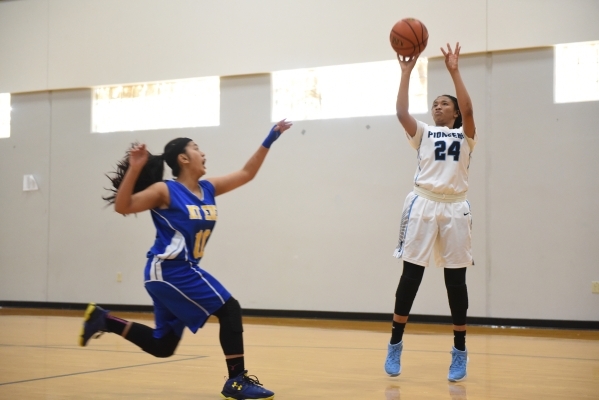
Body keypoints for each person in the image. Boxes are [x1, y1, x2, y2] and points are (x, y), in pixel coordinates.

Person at [79, 119, 292, 400]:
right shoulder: (165, 191)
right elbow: (123, 206)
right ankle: (237, 381)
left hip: (176, 273)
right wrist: (134, 168)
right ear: (183, 158)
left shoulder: (208, 189)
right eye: (196, 148)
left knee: (163, 345)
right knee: (229, 308)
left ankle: (104, 320)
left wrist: (270, 138)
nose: (202, 153)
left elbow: (246, 173)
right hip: (169, 270)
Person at [384, 43, 477, 382]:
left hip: (455, 209)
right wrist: (407, 72)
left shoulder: (466, 134)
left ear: (454, 113)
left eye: (445, 103)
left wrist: (454, 71)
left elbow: (469, 108)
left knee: (456, 281)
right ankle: (395, 343)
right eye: (435, 103)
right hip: (423, 204)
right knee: (412, 276)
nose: (438, 106)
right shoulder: (423, 132)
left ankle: (460, 350)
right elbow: (400, 112)